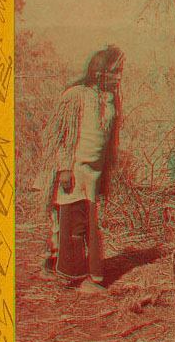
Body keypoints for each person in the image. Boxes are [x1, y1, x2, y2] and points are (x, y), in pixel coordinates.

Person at [34, 45, 124, 294]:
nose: (118, 77)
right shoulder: (76, 95)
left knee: (87, 222)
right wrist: (64, 168)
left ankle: (76, 272)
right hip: (73, 170)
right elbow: (60, 135)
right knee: (70, 223)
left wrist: (104, 174)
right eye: (114, 72)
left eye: (120, 72)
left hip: (92, 174)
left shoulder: (109, 99)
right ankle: (71, 276)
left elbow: (106, 144)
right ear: (99, 72)